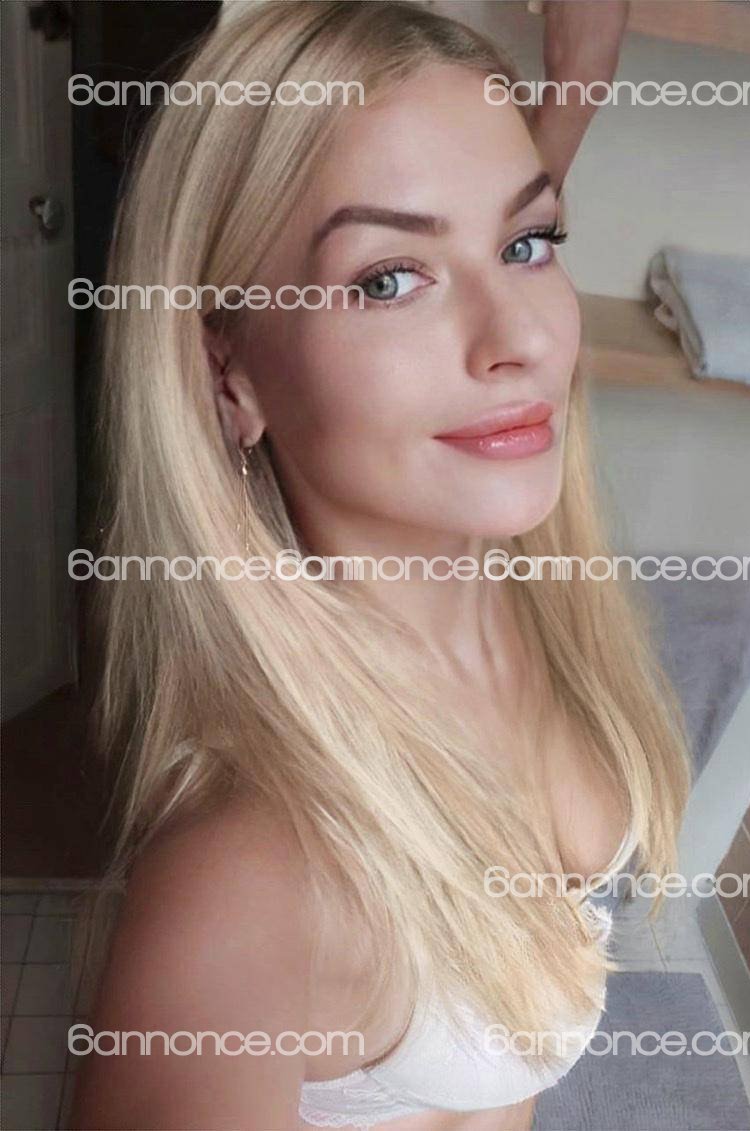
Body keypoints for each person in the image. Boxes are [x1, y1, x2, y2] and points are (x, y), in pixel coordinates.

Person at [71, 3, 688, 1129]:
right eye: (386, 280)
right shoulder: (247, 882)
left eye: (528, 244)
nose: (521, 340)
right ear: (229, 374)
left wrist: (576, 83)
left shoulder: (530, 610)